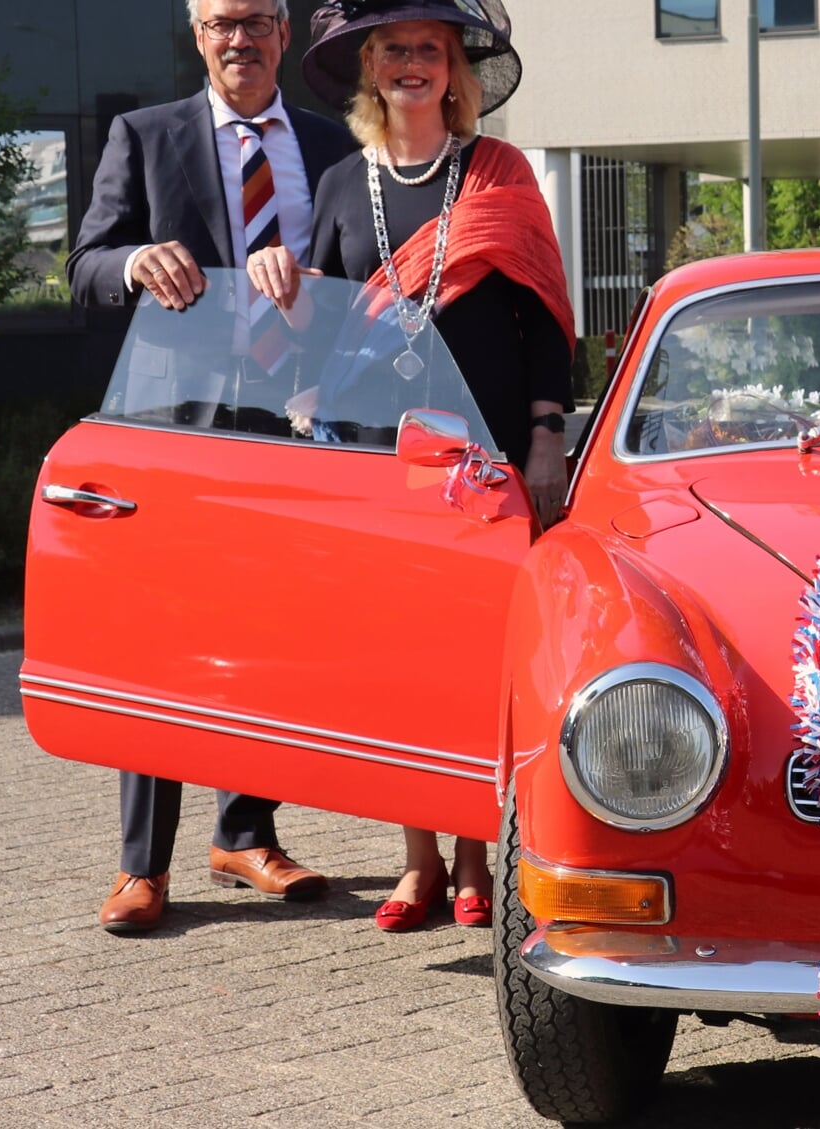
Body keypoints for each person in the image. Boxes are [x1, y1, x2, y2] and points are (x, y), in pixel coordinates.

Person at [256, 0, 574, 932]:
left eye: (428, 51)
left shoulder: (498, 171)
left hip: (487, 458)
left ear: (455, 71)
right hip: (379, 461)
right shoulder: (344, 183)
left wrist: (548, 433)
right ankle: (419, 861)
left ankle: (478, 854)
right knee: (400, 660)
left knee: (478, 659)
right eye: (393, 50)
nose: (411, 65)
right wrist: (281, 283)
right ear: (369, 70)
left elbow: (547, 317)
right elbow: (321, 317)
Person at [65, 0, 359, 934]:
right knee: (155, 642)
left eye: (259, 20)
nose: (242, 39)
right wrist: (134, 260)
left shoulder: (333, 147)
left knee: (262, 637)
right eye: (222, 22)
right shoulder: (143, 137)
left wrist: (318, 298)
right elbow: (84, 263)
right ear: (197, 36)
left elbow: (361, 276)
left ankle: (245, 833)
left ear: (284, 32)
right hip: (172, 432)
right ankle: (140, 864)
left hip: (290, 430)